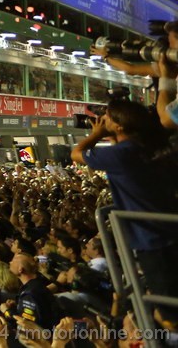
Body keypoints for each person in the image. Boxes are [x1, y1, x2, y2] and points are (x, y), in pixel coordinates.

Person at [70, 97, 178, 326]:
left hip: (150, 238)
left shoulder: (120, 154)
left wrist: (96, 135)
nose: (103, 120)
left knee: (169, 314)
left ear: (119, 126)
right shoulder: (151, 144)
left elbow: (76, 154)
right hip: (169, 228)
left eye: (107, 117)